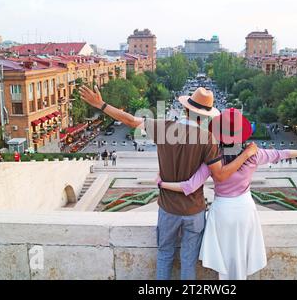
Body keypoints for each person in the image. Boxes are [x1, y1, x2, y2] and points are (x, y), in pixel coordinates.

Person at [79, 85, 257, 280]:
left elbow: (128, 119)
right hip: (194, 211)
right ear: (206, 116)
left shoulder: (163, 127)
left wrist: (101, 104)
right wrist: (247, 154)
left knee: (164, 256)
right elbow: (221, 175)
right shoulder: (208, 139)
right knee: (188, 261)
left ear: (186, 108)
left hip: (168, 209)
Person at [156, 108, 297, 280]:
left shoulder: (213, 158)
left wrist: (162, 183)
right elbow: (282, 153)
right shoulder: (253, 155)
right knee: (240, 256)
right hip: (244, 211)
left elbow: (189, 186)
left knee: (224, 260)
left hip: (222, 213)